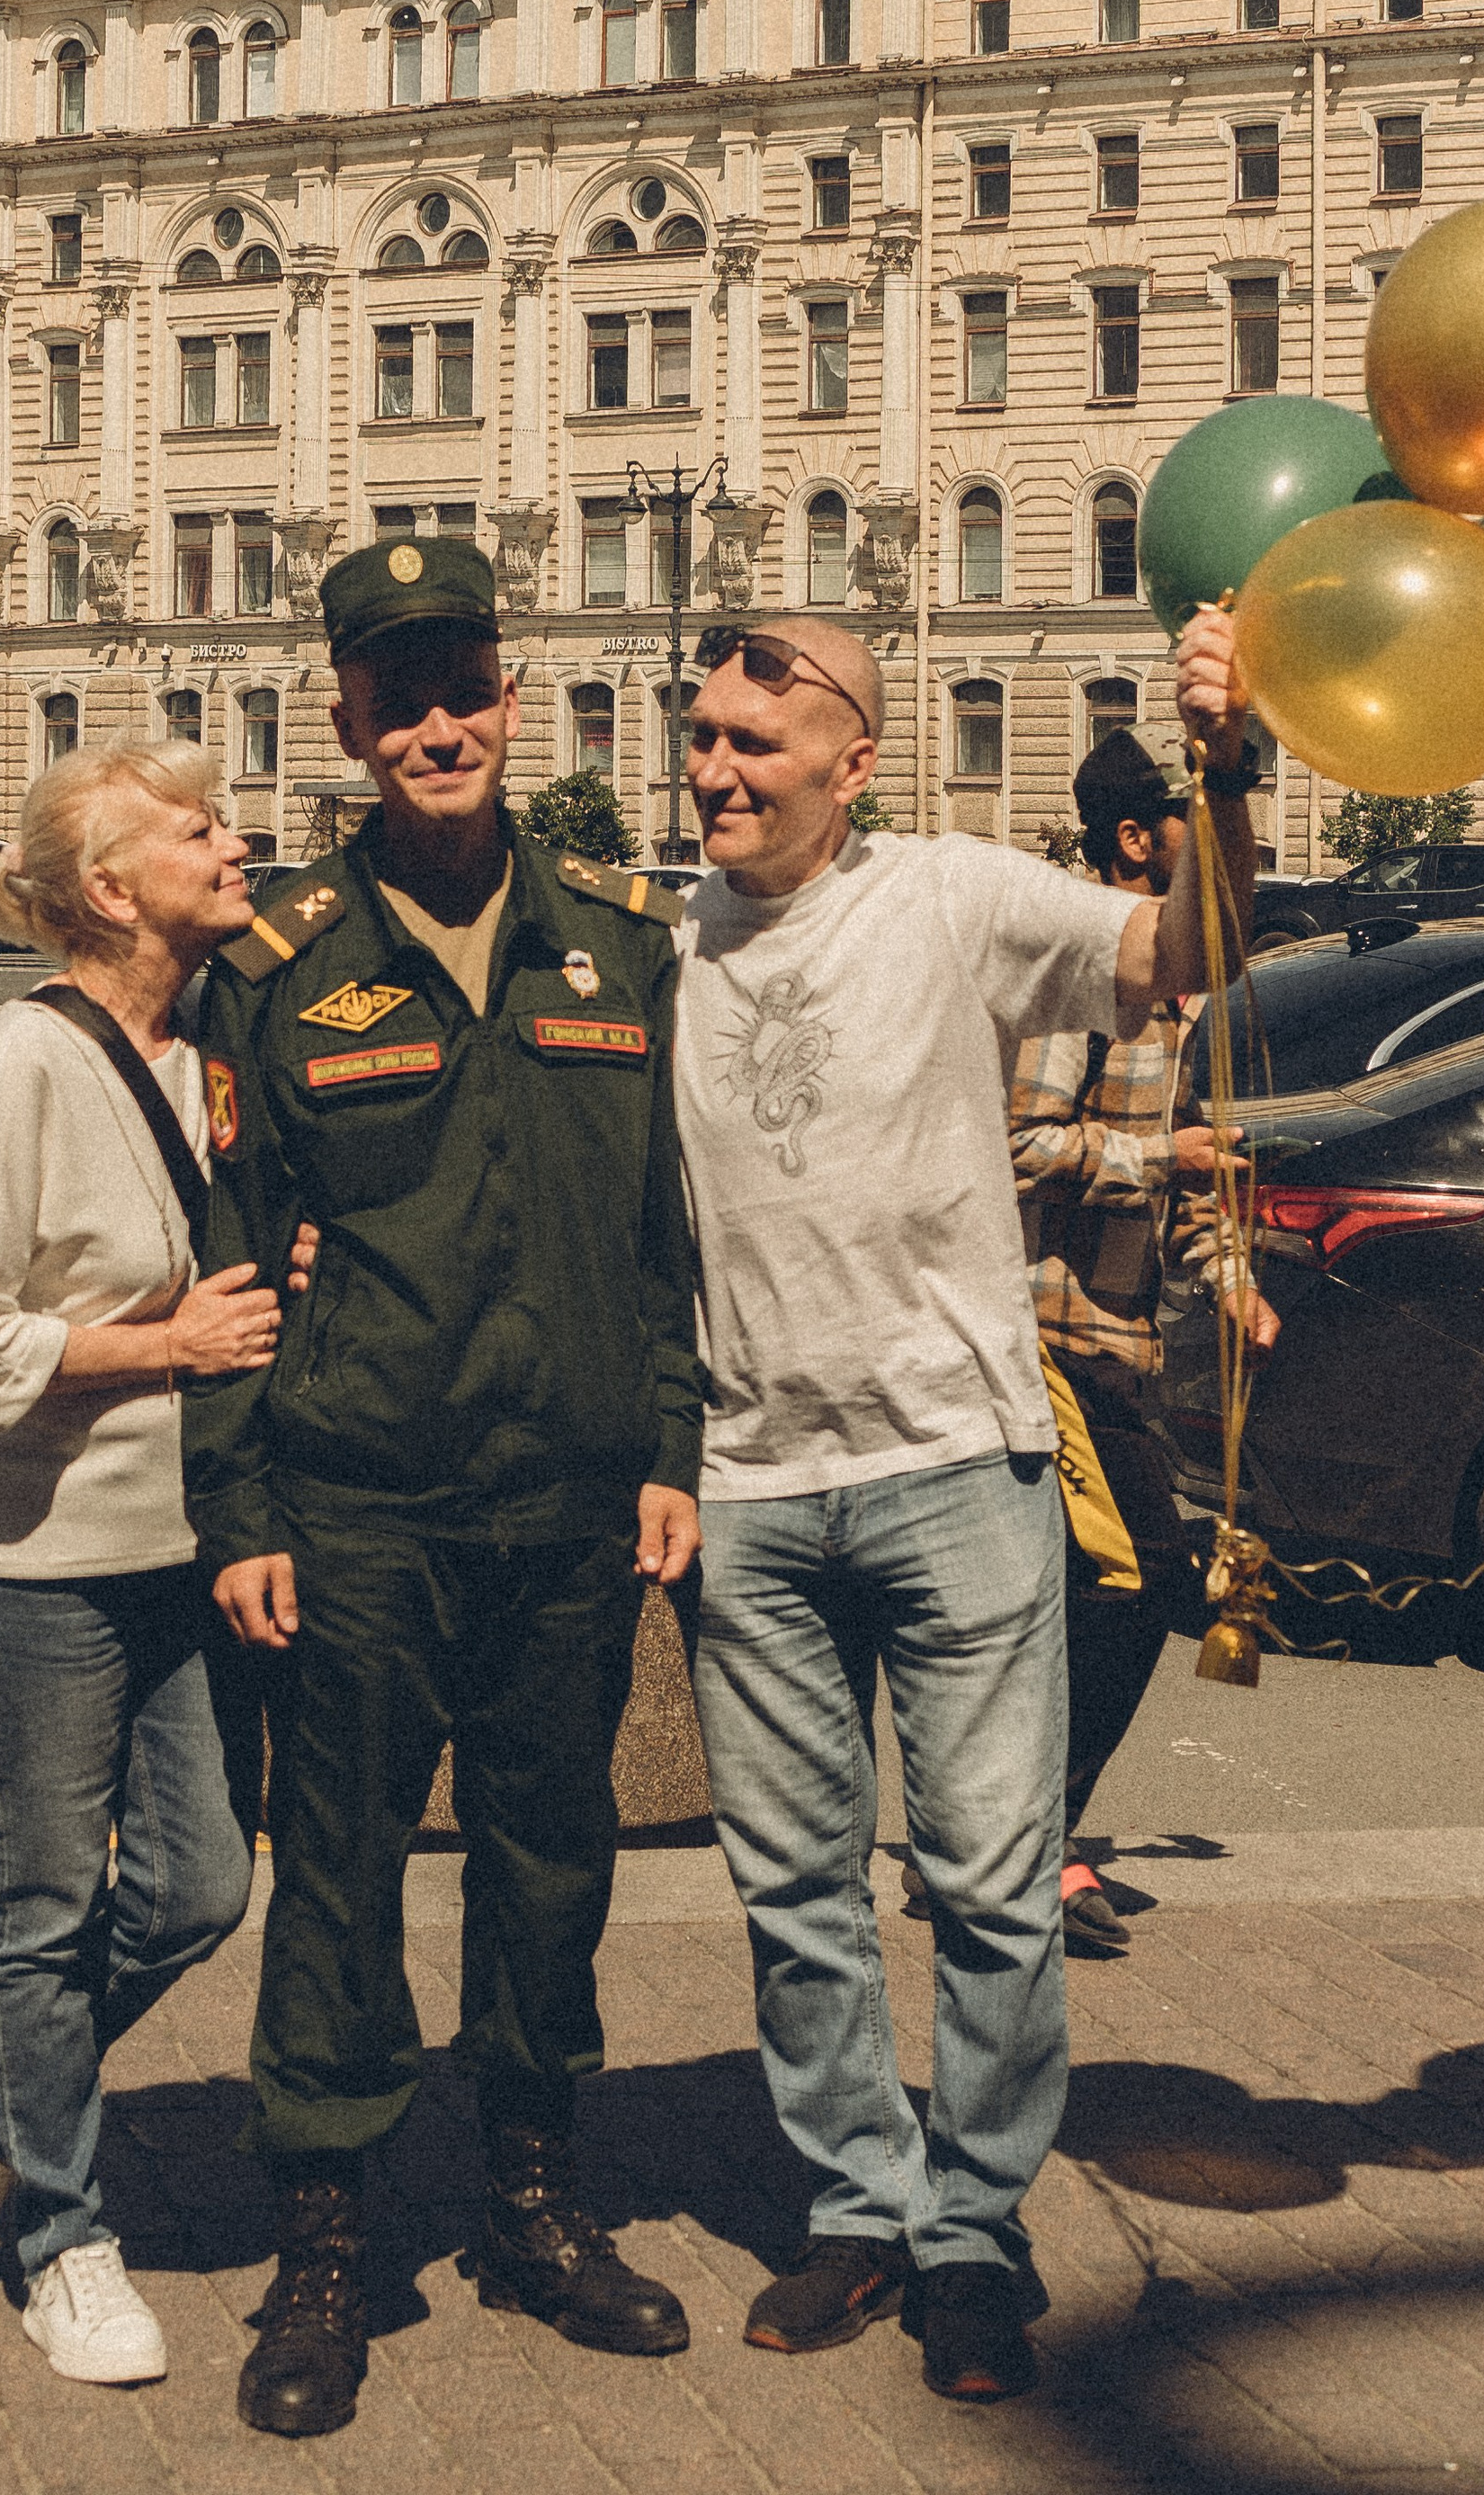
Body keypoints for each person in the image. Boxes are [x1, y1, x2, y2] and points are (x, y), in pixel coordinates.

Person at [674, 608, 1256, 2404]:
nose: (712, 770)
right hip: (751, 1489)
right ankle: (858, 2206)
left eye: (752, 742)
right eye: (700, 737)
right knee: (794, 1893)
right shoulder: (660, 941)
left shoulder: (949, 894)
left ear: (852, 760)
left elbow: (1185, 951)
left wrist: (1226, 769)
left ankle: (973, 2231)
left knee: (992, 1886)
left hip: (954, 1469)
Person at [188, 531, 705, 2441]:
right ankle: (324, 2244)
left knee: (550, 1863)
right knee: (335, 1877)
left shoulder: (618, 942)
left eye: (462, 688)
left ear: (513, 694)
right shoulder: (280, 965)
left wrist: (671, 1446)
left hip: (567, 1502)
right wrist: (239, 1511)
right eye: (396, 697)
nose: (436, 727)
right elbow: (231, 1257)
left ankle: (534, 2200)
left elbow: (664, 1234)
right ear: (345, 720)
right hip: (359, 1505)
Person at [0, 742, 306, 2389]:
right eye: (200, 830)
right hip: (34, 1564)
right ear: (113, 889)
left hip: (185, 1552)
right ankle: (60, 2239)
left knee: (200, 1885)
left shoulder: (211, 1051)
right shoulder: (26, 1057)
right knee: (50, 1901)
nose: (237, 842)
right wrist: (165, 1345)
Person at [1006, 728, 1278, 1961]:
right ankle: (1038, 1845)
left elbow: (1195, 1185)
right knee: (1137, 1583)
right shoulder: (1079, 980)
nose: (1210, 847)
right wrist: (1158, 1156)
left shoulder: (1181, 994)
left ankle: (1016, 1842)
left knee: (1079, 1605)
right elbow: (1017, 1146)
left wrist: (1234, 1283)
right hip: (1042, 1339)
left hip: (1120, 1345)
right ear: (1136, 839)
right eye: (1190, 820)